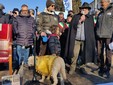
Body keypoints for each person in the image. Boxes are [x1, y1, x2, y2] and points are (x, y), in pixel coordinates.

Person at [65, 2, 96, 75]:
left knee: (85, 55)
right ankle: (72, 68)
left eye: (86, 9)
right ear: (81, 9)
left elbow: (91, 30)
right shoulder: (76, 17)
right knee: (74, 55)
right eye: (83, 8)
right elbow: (73, 27)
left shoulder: (90, 18)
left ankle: (83, 68)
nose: (84, 10)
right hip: (76, 40)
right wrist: (80, 21)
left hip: (86, 40)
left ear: (88, 10)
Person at [96, 0, 113, 78]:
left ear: (108, 2)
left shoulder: (112, 10)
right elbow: (97, 24)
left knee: (108, 53)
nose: (101, 3)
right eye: (101, 2)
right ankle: (101, 67)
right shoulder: (100, 12)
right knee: (99, 53)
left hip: (108, 36)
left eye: (102, 2)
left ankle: (107, 69)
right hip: (99, 36)